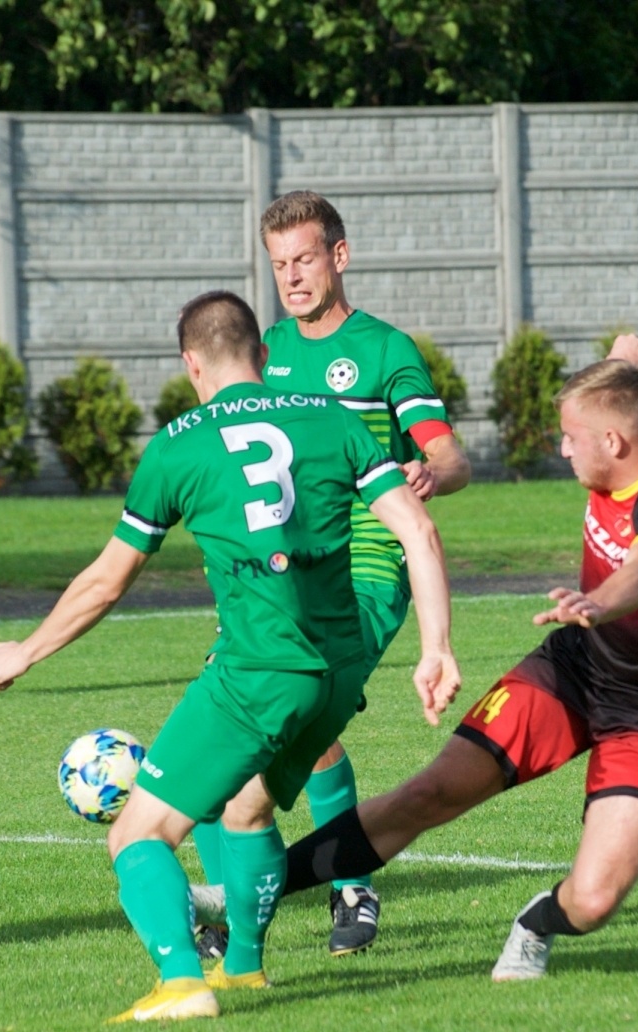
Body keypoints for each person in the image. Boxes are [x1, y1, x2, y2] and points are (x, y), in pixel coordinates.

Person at [0, 291, 459, 1023]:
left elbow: (106, 582)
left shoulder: (177, 445)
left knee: (139, 833)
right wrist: (435, 648)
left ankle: (181, 982)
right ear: (262, 355)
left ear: (190, 366)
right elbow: (418, 531)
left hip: (257, 671)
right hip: (338, 668)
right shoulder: (334, 419)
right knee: (248, 807)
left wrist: (23, 653)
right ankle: (245, 972)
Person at [208, 359, 638, 983]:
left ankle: (536, 923)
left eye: (570, 436)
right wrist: (635, 359)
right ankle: (246, 893)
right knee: (428, 793)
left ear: (614, 442)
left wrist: (600, 602)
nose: (562, 448)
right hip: (574, 670)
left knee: (592, 902)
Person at [188, 191, 472, 959]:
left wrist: (428, 474)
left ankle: (309, 894)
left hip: (370, 570)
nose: (292, 277)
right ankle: (237, 910)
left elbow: (449, 455)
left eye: (304, 259)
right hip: (282, 573)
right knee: (264, 733)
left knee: (281, 724)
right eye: (279, 264)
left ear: (338, 257)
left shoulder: (383, 351)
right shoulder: (264, 353)